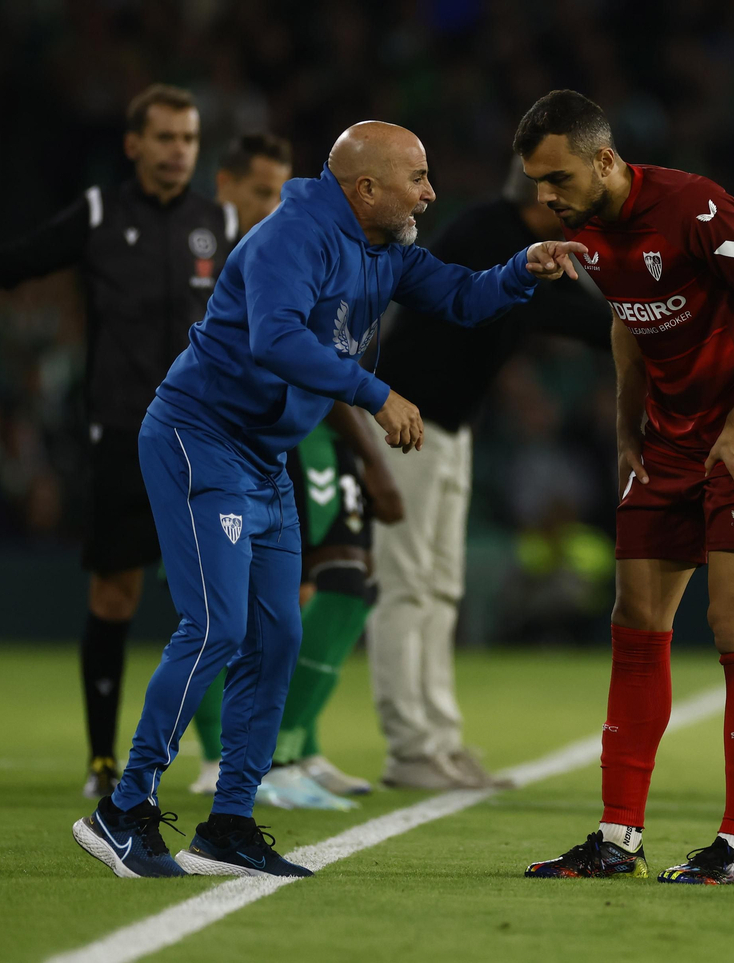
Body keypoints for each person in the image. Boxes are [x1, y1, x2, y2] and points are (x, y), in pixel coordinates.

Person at [70, 120, 587, 879]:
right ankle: (123, 808)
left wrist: (522, 268)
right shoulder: (293, 237)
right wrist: (377, 393)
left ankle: (229, 824)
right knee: (216, 622)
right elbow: (274, 340)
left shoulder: (383, 249)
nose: (431, 191)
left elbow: (460, 296)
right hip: (199, 435)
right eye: (417, 177)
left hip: (264, 453)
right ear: (366, 187)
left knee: (276, 636)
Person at [0, 85, 240, 799]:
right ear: (133, 144)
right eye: (164, 138)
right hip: (124, 435)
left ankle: (231, 756)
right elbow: (23, 258)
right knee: (115, 591)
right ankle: (103, 759)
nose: (178, 152)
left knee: (223, 598)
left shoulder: (223, 223)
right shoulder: (102, 214)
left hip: (210, 436)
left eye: (189, 139)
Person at [514, 90, 734, 886]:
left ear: (605, 159)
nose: (545, 196)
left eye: (557, 177)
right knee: (636, 617)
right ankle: (617, 838)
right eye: (537, 183)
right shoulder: (584, 227)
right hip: (671, 438)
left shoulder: (696, 206)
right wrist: (625, 425)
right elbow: (626, 318)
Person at [366, 161, 609, 791]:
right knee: (407, 585)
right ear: (540, 194)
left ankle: (439, 739)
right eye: (566, 192)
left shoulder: (508, 237)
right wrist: (639, 322)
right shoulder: (487, 233)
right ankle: (410, 747)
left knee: (441, 586)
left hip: (449, 427)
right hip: (404, 421)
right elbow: (547, 313)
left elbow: (560, 311)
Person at [186, 132, 406, 810]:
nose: (274, 201)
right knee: (234, 597)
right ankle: (227, 751)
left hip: (308, 432)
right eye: (260, 188)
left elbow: (322, 359)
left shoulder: (312, 245)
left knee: (337, 585)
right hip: (223, 433)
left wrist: (366, 456)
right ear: (224, 188)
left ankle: (292, 741)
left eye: (283, 187)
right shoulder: (211, 256)